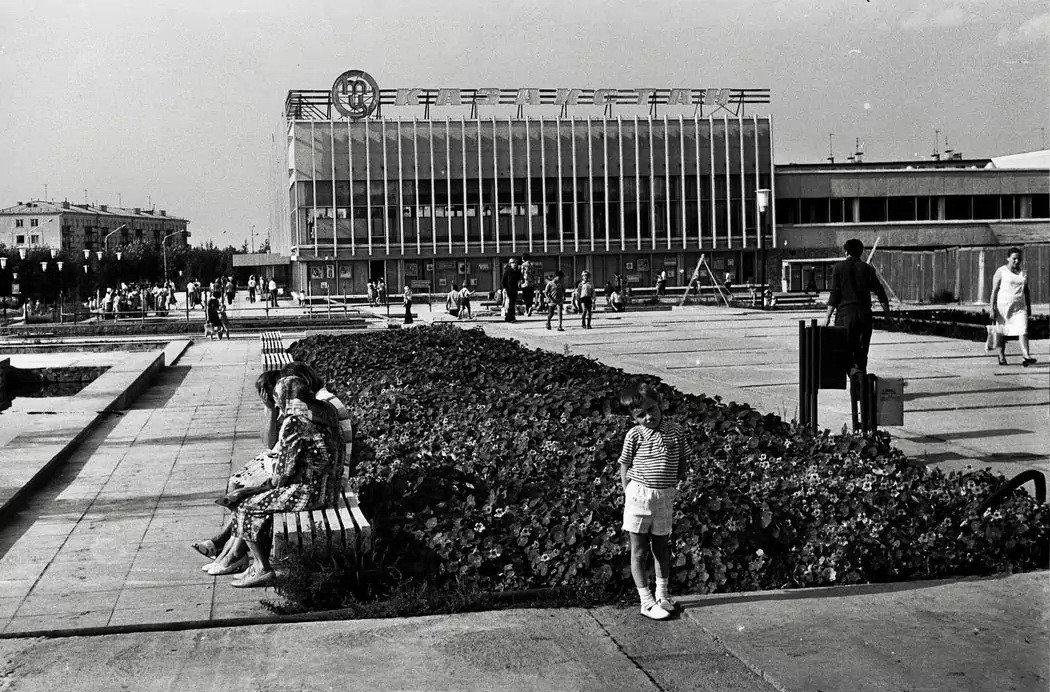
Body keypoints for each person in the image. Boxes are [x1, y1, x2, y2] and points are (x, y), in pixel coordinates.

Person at [224, 375, 342, 588]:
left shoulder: (294, 422)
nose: (276, 403)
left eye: (277, 399)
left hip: (310, 494)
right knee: (255, 499)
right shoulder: (324, 410)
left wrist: (251, 490)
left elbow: (281, 476)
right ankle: (254, 564)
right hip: (331, 490)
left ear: (285, 397)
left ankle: (261, 568)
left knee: (244, 504)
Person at [617, 381, 690, 621]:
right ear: (633, 417)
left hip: (663, 495)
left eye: (652, 410)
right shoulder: (634, 434)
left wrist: (677, 480)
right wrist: (628, 491)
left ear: (660, 404)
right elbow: (624, 464)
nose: (649, 417)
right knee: (639, 550)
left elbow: (682, 459)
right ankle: (646, 601)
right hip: (639, 495)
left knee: (661, 547)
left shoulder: (676, 431)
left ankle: (662, 595)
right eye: (641, 415)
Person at [824, 238, 891, 374]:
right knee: (861, 353)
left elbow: (834, 294)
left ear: (846, 252)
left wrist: (827, 317)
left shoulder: (839, 268)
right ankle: (860, 381)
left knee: (845, 350)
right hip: (864, 316)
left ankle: (853, 377)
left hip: (845, 316)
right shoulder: (867, 269)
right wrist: (887, 313)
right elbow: (880, 292)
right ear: (860, 253)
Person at [990, 247, 1036, 367]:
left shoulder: (1024, 272)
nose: (1017, 261)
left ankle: (1026, 356)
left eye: (1019, 259)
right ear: (1008, 258)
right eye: (1014, 258)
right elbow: (994, 291)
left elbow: (1026, 291)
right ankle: (1001, 356)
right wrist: (991, 308)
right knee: (1002, 332)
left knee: (1023, 330)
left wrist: (1029, 307)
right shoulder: (1001, 271)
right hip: (1003, 307)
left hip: (1019, 307)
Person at [501, 258, 522, 322]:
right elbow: (503, 280)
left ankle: (509, 317)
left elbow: (520, 278)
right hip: (509, 289)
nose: (514, 264)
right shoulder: (508, 270)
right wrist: (504, 288)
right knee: (511, 303)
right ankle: (511, 317)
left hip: (514, 289)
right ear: (510, 264)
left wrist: (520, 283)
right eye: (513, 263)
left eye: (515, 263)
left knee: (512, 303)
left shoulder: (517, 271)